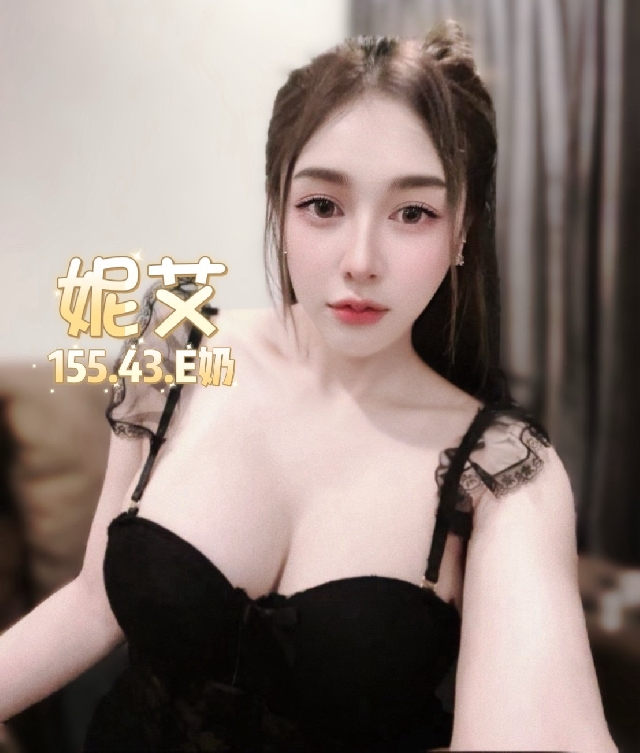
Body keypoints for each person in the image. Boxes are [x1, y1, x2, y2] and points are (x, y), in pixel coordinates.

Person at [0, 20, 617, 753]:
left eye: (413, 213)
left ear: (462, 232)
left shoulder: (503, 471)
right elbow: (92, 602)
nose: (360, 260)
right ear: (279, 204)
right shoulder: (175, 348)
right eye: (323, 205)